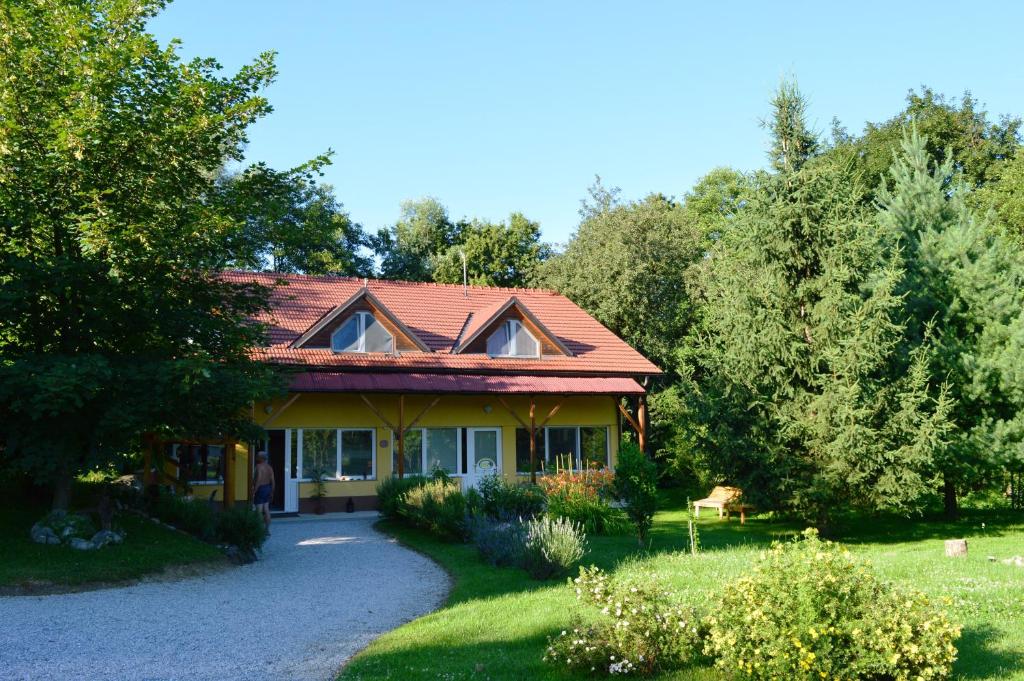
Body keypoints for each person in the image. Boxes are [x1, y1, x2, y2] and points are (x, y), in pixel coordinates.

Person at [252, 451, 275, 534]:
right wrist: (272, 491)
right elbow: (273, 481)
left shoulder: (258, 467)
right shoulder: (269, 467)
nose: (256, 457)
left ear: (261, 458)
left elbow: (258, 480)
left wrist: (254, 491)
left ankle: (260, 530)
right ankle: (267, 530)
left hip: (260, 489)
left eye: (257, 456)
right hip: (267, 488)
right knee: (266, 509)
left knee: (259, 510)